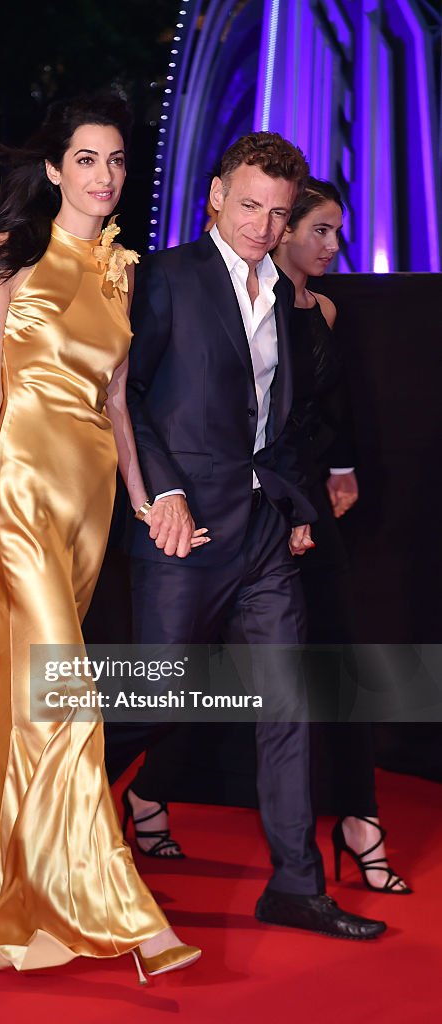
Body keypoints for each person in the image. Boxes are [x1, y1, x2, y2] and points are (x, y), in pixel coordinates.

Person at [0, 94, 203, 981]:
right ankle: (123, 912)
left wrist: (141, 499)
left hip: (89, 498)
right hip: (19, 487)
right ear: (54, 169)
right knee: (67, 688)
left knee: (24, 694)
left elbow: (118, 403)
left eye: (117, 160)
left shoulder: (125, 269)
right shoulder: (9, 257)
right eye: (86, 159)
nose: (104, 175)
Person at [104, 132, 387, 939]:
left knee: (288, 703)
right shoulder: (161, 277)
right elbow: (129, 398)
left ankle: (295, 886)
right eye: (250, 206)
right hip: (182, 531)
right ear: (215, 198)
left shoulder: (289, 297)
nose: (263, 226)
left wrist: (294, 505)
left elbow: (281, 424)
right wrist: (159, 493)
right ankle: (55, 810)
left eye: (277, 212)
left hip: (263, 532)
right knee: (156, 699)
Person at [273, 177, 411, 894]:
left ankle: (359, 819)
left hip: (311, 512)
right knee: (210, 671)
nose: (333, 245)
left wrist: (342, 468)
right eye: (320, 230)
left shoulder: (321, 307)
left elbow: (334, 408)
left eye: (336, 231)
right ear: (283, 227)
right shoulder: (248, 305)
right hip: (256, 509)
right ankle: (143, 793)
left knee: (336, 664)